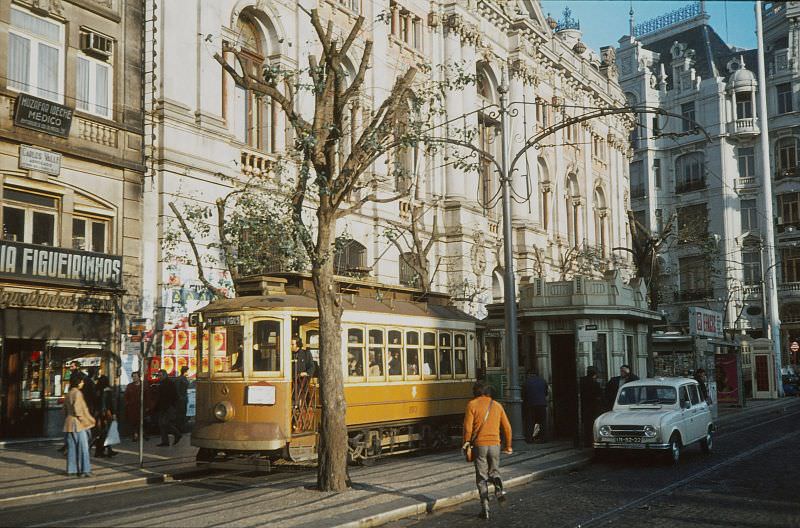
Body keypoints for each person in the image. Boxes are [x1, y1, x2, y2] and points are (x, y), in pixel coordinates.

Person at [463, 381, 513, 520]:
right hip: (495, 445)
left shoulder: (472, 405)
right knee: (494, 471)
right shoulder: (497, 405)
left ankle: (485, 507)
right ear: (488, 392)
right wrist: (508, 445)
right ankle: (497, 482)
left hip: (480, 446)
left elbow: (468, 428)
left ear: (475, 392)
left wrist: (466, 443)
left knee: (481, 477)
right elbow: (507, 428)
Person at [64, 373, 95, 477]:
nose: (83, 383)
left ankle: (71, 470)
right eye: (81, 381)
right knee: (83, 448)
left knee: (72, 448)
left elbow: (63, 410)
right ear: (78, 382)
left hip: (68, 424)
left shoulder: (68, 393)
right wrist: (86, 421)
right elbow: (78, 411)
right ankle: (85, 470)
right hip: (78, 424)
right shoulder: (78, 393)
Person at [155, 370, 181, 446]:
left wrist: (171, 405)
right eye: (158, 375)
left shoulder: (168, 383)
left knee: (164, 423)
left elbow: (173, 396)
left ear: (164, 375)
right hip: (163, 407)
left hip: (168, 407)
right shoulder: (162, 383)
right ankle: (165, 441)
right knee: (162, 424)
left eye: (160, 375)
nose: (159, 377)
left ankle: (177, 434)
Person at [93, 375, 118, 457]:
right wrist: (113, 413)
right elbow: (110, 403)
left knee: (102, 433)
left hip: (98, 414)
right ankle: (101, 450)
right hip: (105, 414)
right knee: (105, 433)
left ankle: (106, 450)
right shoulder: (107, 391)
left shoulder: (97, 390)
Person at [580, 366, 604, 447]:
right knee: (592, 424)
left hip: (584, 405)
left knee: (586, 424)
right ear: (595, 374)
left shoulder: (582, 381)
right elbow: (600, 395)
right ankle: (591, 441)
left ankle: (586, 441)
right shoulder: (595, 383)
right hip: (593, 406)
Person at [522, 368, 548, 443]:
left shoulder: (526, 382)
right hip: (542, 404)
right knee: (542, 422)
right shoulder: (543, 381)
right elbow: (546, 393)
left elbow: (523, 395)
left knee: (530, 422)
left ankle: (529, 439)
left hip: (530, 405)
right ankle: (544, 439)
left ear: (529, 374)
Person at [124, 371, 148, 441]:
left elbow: (147, 396)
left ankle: (143, 434)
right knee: (133, 422)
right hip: (132, 407)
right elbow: (126, 396)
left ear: (139, 377)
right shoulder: (129, 386)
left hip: (141, 406)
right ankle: (135, 435)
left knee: (142, 421)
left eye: (135, 376)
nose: (134, 378)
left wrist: (147, 406)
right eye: (133, 376)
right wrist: (127, 403)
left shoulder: (143, 385)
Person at [175, 365, 190, 430]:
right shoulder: (179, 379)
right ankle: (179, 426)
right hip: (181, 398)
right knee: (180, 413)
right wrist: (179, 396)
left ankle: (182, 426)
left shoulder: (184, 378)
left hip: (184, 397)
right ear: (185, 371)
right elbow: (177, 389)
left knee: (183, 412)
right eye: (187, 371)